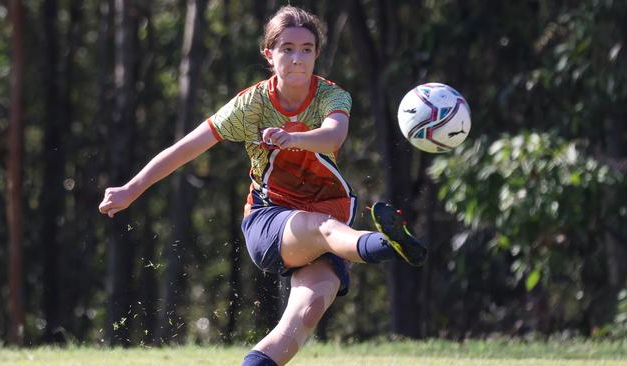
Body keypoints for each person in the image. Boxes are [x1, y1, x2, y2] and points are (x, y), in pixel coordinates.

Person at [98, 5, 427, 366]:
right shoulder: (250, 106)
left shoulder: (332, 96)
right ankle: (388, 244)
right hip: (270, 217)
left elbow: (334, 135)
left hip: (328, 210)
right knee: (320, 227)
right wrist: (131, 188)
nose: (297, 58)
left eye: (306, 49)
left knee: (306, 313)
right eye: (287, 48)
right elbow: (184, 149)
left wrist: (292, 138)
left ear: (317, 53)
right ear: (269, 55)